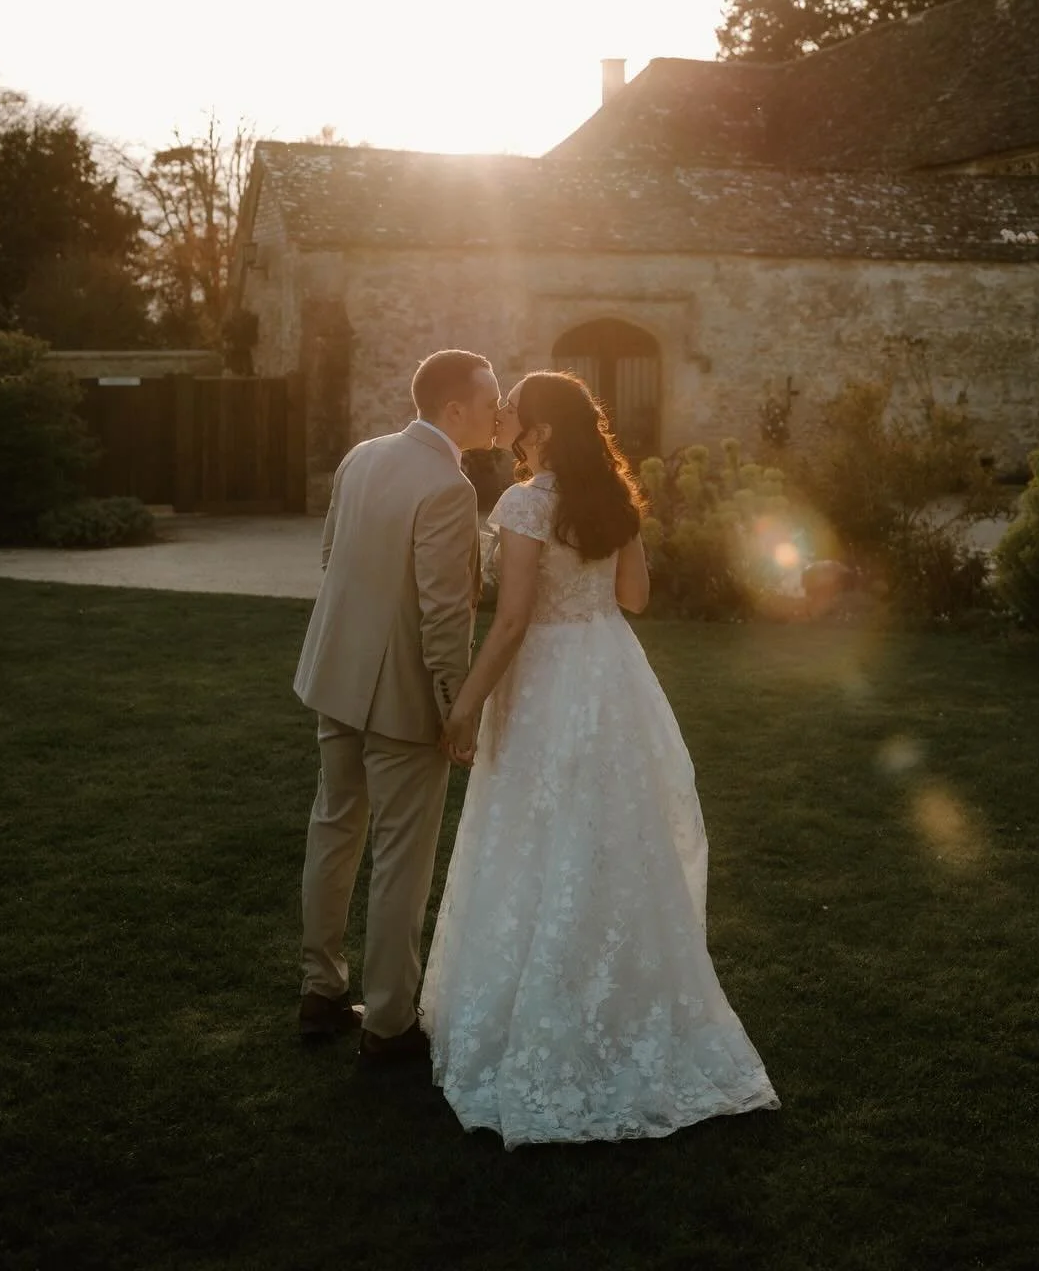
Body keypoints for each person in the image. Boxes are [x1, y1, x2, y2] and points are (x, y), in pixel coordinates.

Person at [420, 370, 778, 1145]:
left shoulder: (522, 503)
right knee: (609, 837)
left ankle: (547, 1013)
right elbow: (636, 598)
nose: (506, 411)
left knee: (535, 831)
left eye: (517, 405)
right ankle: (618, 996)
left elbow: (511, 621)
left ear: (542, 431)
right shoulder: (611, 500)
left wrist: (465, 703)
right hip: (610, 673)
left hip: (549, 677)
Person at [293, 349, 500, 1063]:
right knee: (401, 861)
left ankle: (319, 993)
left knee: (334, 828)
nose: (499, 412)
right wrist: (457, 707)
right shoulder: (448, 486)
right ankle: (387, 1025)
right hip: (403, 698)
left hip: (335, 677)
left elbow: (330, 557)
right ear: (454, 411)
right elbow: (447, 616)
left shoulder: (362, 456)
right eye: (490, 400)